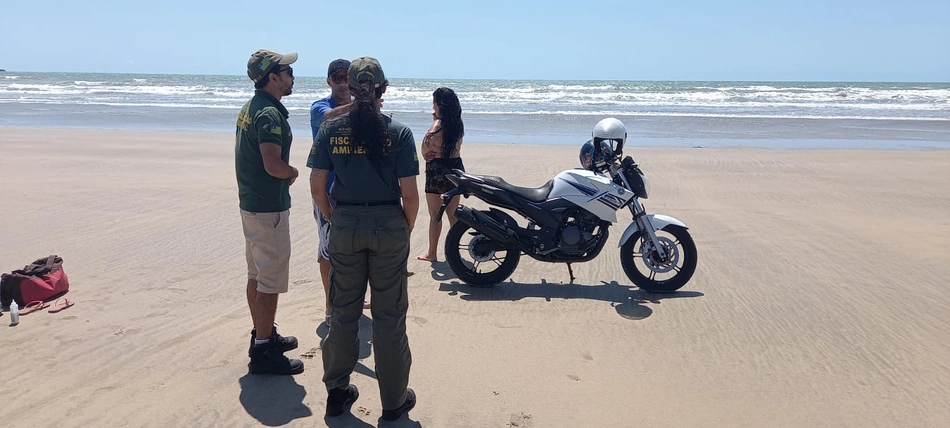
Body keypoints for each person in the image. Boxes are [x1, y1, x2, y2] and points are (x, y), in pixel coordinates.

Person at [309, 57, 419, 420]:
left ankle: (337, 392)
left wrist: (333, 217)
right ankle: (393, 400)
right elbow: (411, 195)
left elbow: (316, 184)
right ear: (383, 89)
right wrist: (404, 228)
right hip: (389, 220)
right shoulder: (399, 133)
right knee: (389, 316)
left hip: (346, 221)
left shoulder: (330, 128)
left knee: (343, 313)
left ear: (350, 90)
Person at [235, 49, 303, 376]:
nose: (292, 76)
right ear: (273, 77)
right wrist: (292, 173)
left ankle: (263, 334)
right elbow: (272, 164)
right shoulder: (267, 115)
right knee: (270, 281)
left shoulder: (253, 108)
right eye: (287, 71)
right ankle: (263, 349)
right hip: (267, 208)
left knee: (257, 276)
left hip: (253, 205)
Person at [308, 58, 370, 324]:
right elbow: (328, 117)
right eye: (338, 77)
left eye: (347, 77)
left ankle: (355, 297)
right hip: (328, 190)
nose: (343, 82)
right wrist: (363, 105)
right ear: (329, 81)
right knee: (328, 251)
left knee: (358, 249)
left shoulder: (362, 109)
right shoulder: (320, 107)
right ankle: (330, 304)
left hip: (356, 190)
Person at [417, 87, 465, 262]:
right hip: (455, 167)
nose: (433, 107)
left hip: (437, 170)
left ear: (439, 105)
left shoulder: (438, 125)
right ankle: (455, 253)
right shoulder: (458, 124)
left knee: (435, 214)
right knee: (453, 215)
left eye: (434, 103)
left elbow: (426, 145)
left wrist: (435, 121)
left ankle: (432, 253)